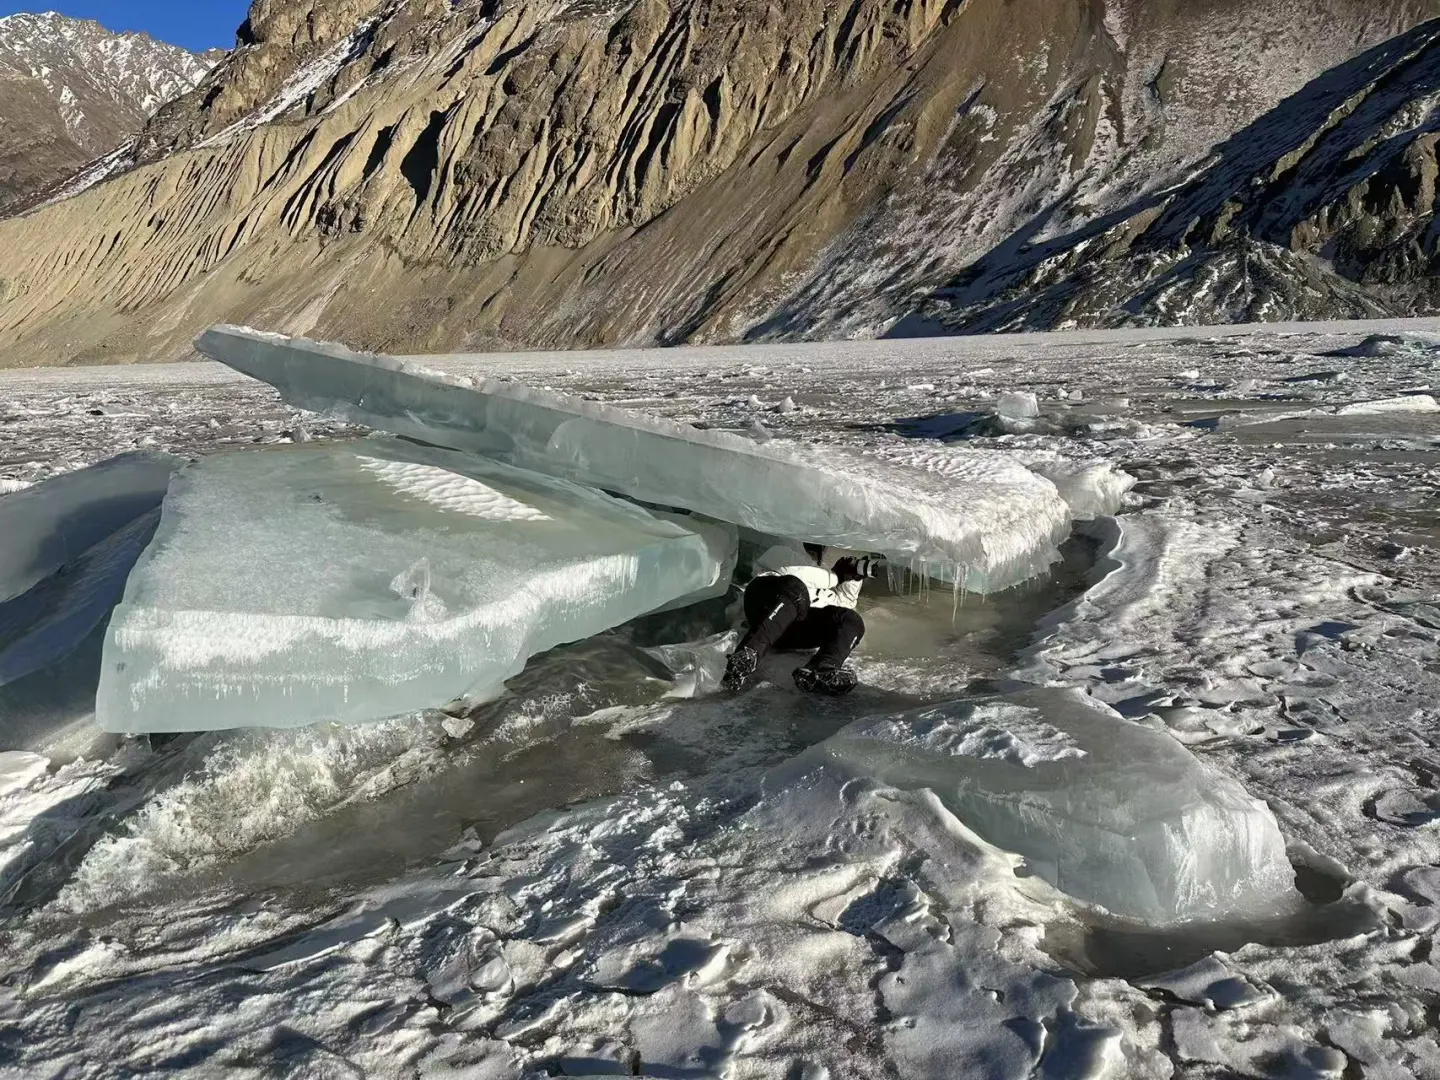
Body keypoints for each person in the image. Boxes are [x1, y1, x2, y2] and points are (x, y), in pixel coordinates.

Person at [722, 542, 882, 696]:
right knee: (797, 591)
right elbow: (793, 572)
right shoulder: (782, 553)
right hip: (764, 606)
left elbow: (846, 604)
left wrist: (852, 577)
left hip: (789, 631)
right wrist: (835, 576)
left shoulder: (827, 590)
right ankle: (747, 654)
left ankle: (823, 669)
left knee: (851, 620)